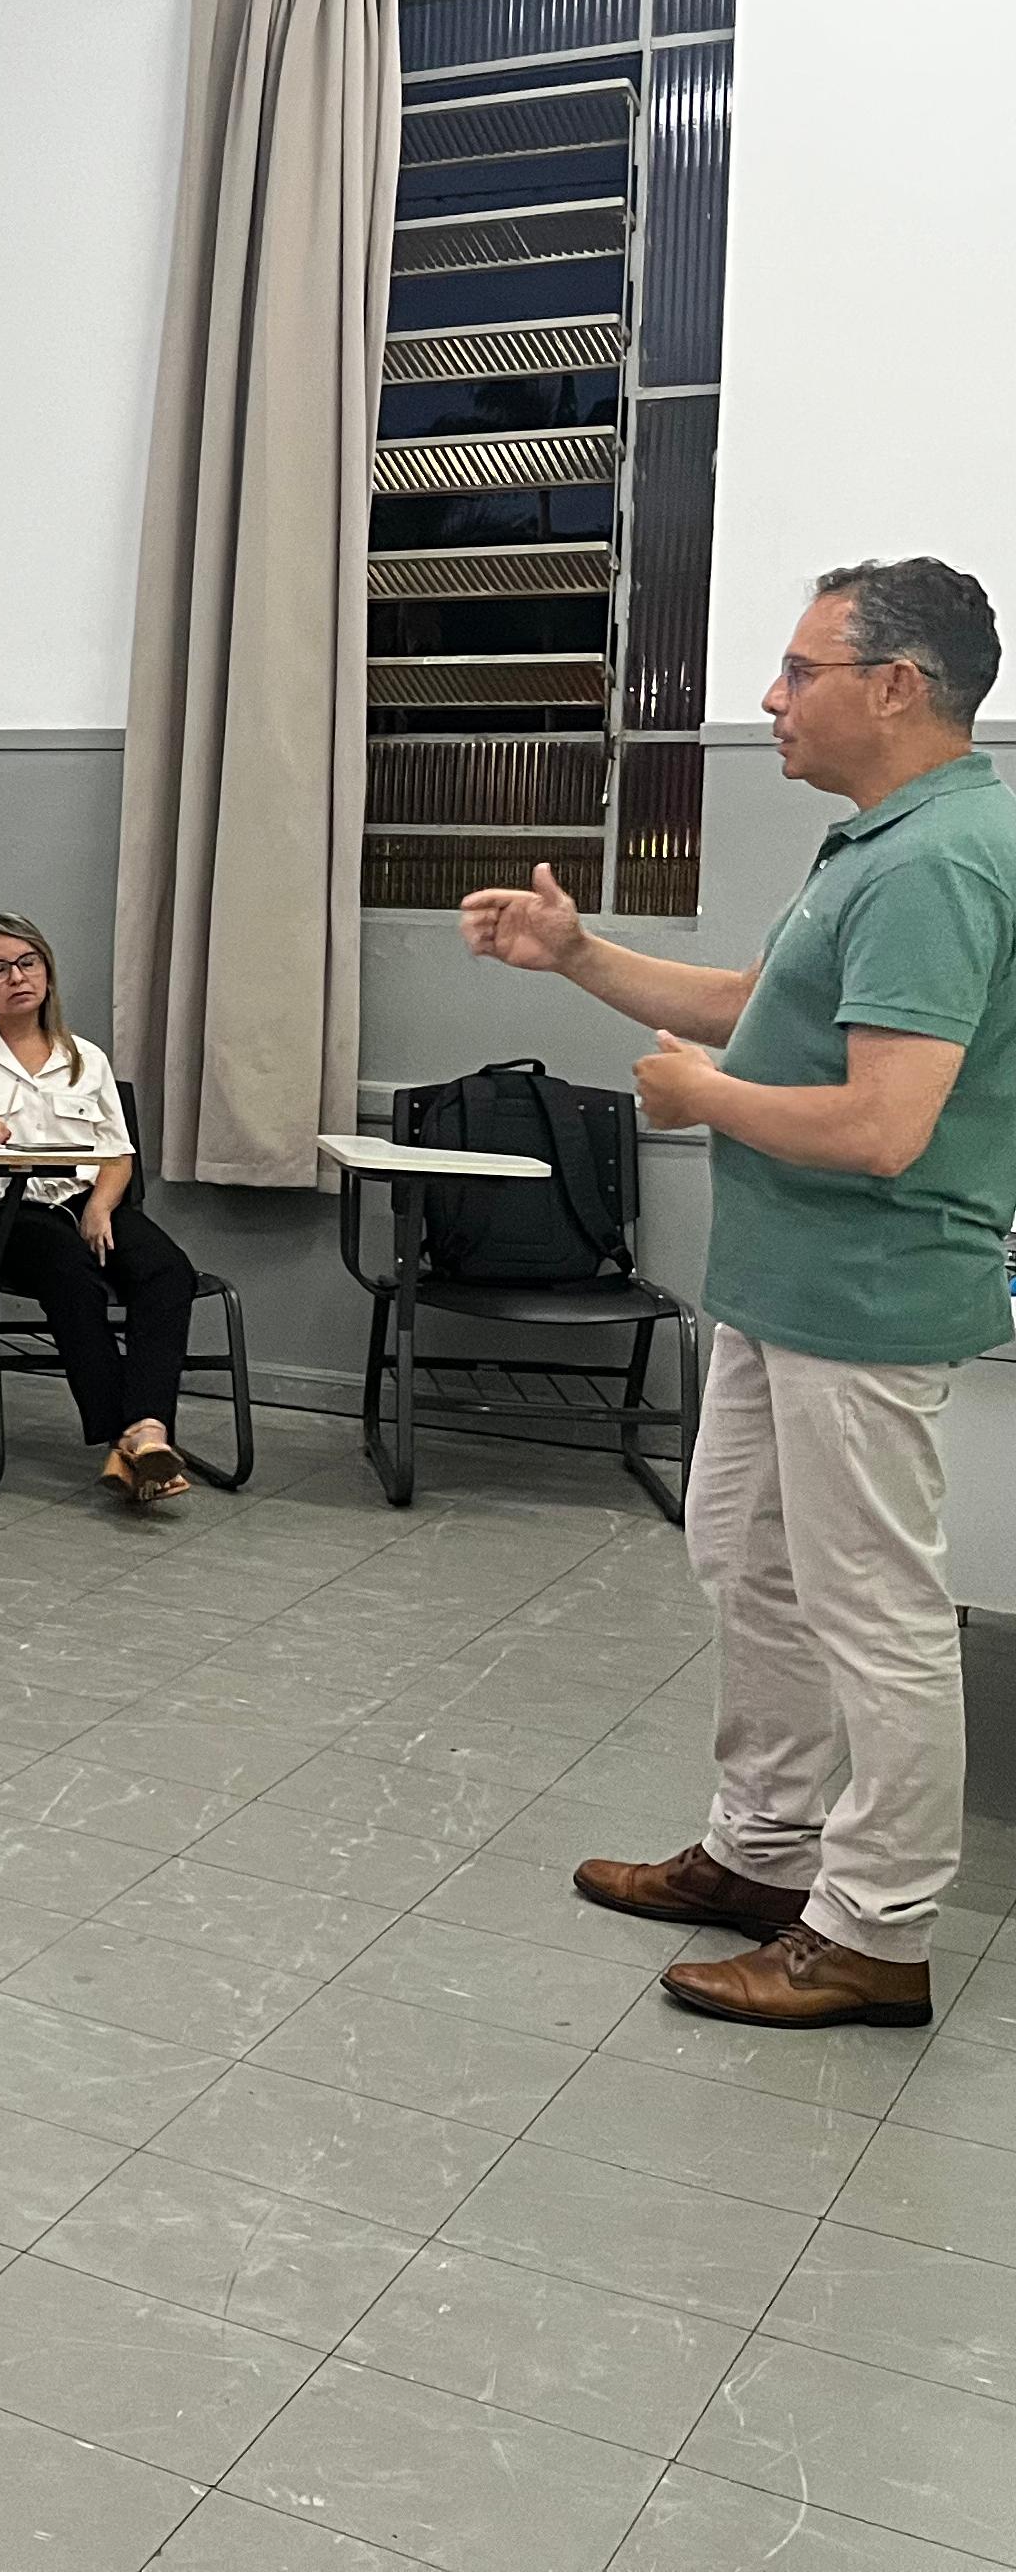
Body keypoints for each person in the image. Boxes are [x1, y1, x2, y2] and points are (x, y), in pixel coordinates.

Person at [468, 557, 1016, 2033]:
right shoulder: (877, 842)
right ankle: (765, 1858)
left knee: (876, 1611)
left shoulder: (939, 862)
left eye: (800, 670)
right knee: (752, 1567)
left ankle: (876, 1928)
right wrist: (577, 955)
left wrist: (706, 1103)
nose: (769, 701)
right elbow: (760, 1009)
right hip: (788, 1288)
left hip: (868, 1293)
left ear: (896, 686)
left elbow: (885, 1123)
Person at [0, 911, 206, 1502]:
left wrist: (100, 1208)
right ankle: (123, 1437)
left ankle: (146, 1429)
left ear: (46, 973)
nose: (17, 976)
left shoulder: (84, 1056)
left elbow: (118, 1153)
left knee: (169, 1272)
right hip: (4, 1218)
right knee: (72, 1272)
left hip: (85, 1202)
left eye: (28, 962)